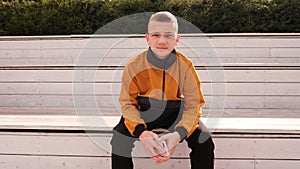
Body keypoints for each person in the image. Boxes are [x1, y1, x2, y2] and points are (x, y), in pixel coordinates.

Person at [110, 11, 215, 169]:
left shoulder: (186, 66)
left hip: (174, 112)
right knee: (119, 140)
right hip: (144, 111)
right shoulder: (133, 66)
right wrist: (142, 133)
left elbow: (194, 104)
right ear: (147, 38)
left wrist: (178, 133)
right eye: (156, 35)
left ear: (177, 39)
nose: (162, 41)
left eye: (168, 35)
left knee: (204, 141)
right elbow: (128, 103)